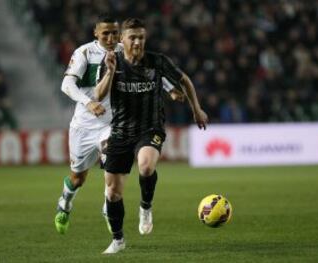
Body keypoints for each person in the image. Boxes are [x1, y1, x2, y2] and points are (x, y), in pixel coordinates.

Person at [54, 14, 183, 235]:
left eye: (115, 33)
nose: (111, 37)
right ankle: (65, 202)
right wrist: (89, 103)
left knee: (111, 167)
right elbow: (67, 84)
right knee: (78, 178)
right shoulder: (85, 52)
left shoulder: (127, 50)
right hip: (84, 125)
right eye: (106, 33)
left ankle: (109, 208)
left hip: (114, 124)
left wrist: (169, 87)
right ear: (96, 33)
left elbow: (151, 71)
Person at [94, 18, 208, 254]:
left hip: (150, 127)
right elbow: (98, 94)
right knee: (113, 193)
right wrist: (111, 72)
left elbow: (184, 80)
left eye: (141, 37)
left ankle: (145, 206)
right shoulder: (110, 61)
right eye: (132, 37)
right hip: (121, 131)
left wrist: (196, 109)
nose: (137, 42)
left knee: (146, 166)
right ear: (121, 39)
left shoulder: (157, 61)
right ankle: (118, 240)